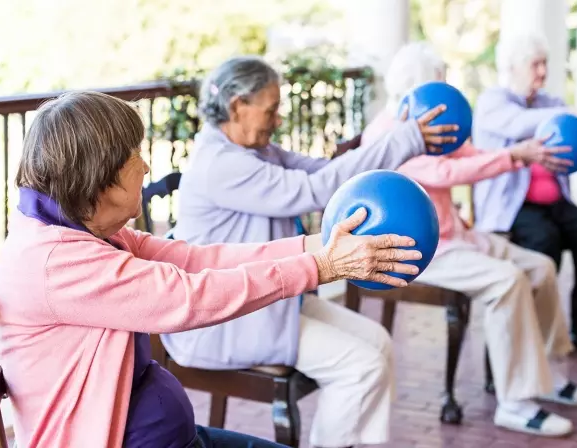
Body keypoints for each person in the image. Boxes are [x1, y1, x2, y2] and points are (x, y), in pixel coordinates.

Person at [0, 91, 423, 448]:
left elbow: (199, 260)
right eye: (133, 156)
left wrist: (319, 247)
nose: (145, 166)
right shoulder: (57, 262)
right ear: (99, 178)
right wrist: (320, 267)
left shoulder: (85, 229)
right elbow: (189, 298)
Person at [166, 55, 457, 448]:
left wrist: (403, 142)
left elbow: (329, 176)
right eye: (270, 110)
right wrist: (405, 137)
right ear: (238, 106)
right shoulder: (220, 164)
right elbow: (316, 191)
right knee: (362, 365)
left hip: (269, 300)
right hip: (227, 319)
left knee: (379, 343)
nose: (278, 119)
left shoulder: (258, 151)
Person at [362, 41, 577, 437]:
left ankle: (550, 376)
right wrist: (515, 157)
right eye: (439, 83)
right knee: (507, 281)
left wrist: (527, 152)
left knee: (540, 267)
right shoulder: (387, 135)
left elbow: (469, 154)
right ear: (418, 88)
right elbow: (444, 173)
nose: (446, 94)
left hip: (458, 235)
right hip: (425, 250)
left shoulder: (429, 125)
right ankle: (515, 403)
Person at [472, 32, 577, 357]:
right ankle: (530, 341)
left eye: (544, 64)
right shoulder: (493, 102)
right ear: (513, 67)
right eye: (535, 64)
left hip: (555, 203)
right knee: (543, 243)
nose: (542, 72)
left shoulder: (549, 103)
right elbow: (520, 124)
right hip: (513, 208)